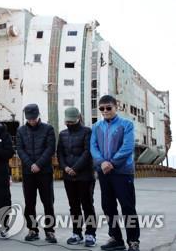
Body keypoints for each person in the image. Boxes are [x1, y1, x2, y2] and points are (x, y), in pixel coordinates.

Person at [90, 95, 140, 251]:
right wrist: (102, 162)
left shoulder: (127, 125)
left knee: (127, 207)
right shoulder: (96, 127)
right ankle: (116, 239)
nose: (105, 111)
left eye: (108, 108)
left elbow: (127, 147)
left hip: (122, 172)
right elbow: (93, 147)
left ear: (115, 107)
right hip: (104, 172)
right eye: (102, 108)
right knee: (108, 207)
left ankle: (133, 241)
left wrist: (111, 163)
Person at [16, 104, 57, 243]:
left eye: (33, 118)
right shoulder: (21, 131)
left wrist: (38, 164)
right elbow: (20, 149)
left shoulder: (48, 129)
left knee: (48, 202)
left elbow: (50, 148)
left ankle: (50, 231)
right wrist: (30, 164)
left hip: (44, 172)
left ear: (38, 115)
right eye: (29, 119)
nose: (31, 121)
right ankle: (32, 230)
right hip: (28, 173)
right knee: (29, 203)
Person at [57, 107, 97, 247]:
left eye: (71, 121)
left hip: (85, 176)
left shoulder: (87, 132)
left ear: (78, 118)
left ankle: (91, 234)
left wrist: (75, 168)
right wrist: (66, 168)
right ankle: (77, 233)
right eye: (67, 121)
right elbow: (60, 153)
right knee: (73, 206)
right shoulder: (62, 134)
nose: (69, 124)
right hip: (68, 177)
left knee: (87, 206)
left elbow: (88, 152)